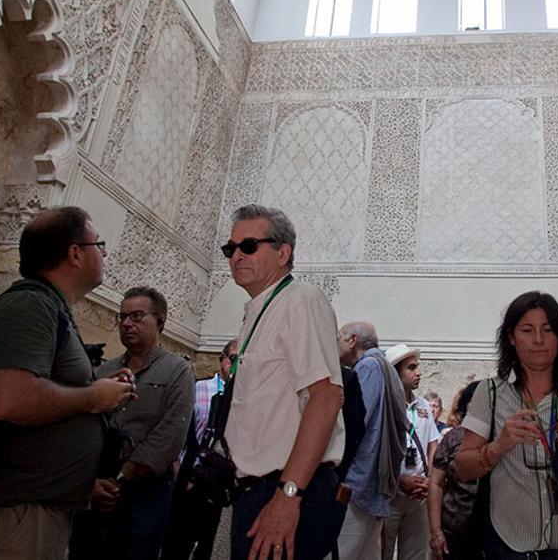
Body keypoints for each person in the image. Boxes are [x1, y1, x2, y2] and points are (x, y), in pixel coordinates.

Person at [0, 207, 136, 560]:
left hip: (27, 512)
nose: (103, 254)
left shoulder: (51, 309)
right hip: (4, 520)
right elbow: (8, 400)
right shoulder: (29, 304)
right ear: (74, 253)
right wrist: (92, 397)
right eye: (98, 244)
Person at [221, 205, 347, 560]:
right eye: (230, 249)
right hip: (260, 491)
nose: (237, 256)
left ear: (283, 252)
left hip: (286, 491)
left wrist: (288, 496)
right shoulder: (258, 309)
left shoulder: (299, 300)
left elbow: (326, 397)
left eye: (249, 246)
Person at [455, 291, 558, 559]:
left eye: (548, 330)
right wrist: (498, 446)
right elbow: (462, 468)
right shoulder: (490, 393)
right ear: (511, 337)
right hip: (512, 543)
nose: (539, 340)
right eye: (527, 330)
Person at [71, 286, 195, 560]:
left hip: (145, 491)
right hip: (96, 489)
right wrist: (92, 483)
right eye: (122, 317)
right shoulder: (103, 372)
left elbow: (170, 434)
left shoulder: (178, 371)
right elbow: (85, 425)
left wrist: (120, 478)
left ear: (160, 321)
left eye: (137, 316)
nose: (127, 323)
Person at [336, 321, 411, 560]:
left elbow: (358, 420)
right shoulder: (385, 366)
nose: (335, 344)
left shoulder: (368, 366)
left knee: (344, 551)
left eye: (338, 338)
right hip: (375, 478)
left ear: (353, 339)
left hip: (359, 479)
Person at [162, 340, 237, 560]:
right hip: (185, 479)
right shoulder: (196, 389)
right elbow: (174, 431)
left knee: (205, 548)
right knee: (174, 546)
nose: (235, 367)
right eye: (232, 359)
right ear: (221, 359)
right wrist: (179, 474)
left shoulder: (246, 401)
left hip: (217, 489)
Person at [383, 344, 441, 560]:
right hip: (391, 492)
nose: (418, 373)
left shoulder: (424, 405)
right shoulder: (385, 404)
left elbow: (432, 444)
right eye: (411, 368)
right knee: (383, 551)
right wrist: (399, 480)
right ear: (396, 372)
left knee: (416, 553)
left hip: (420, 493)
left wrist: (430, 480)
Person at [428, 380, 481, 559]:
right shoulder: (453, 438)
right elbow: (436, 483)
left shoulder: (500, 438)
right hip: (455, 528)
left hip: (494, 533)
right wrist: (436, 532)